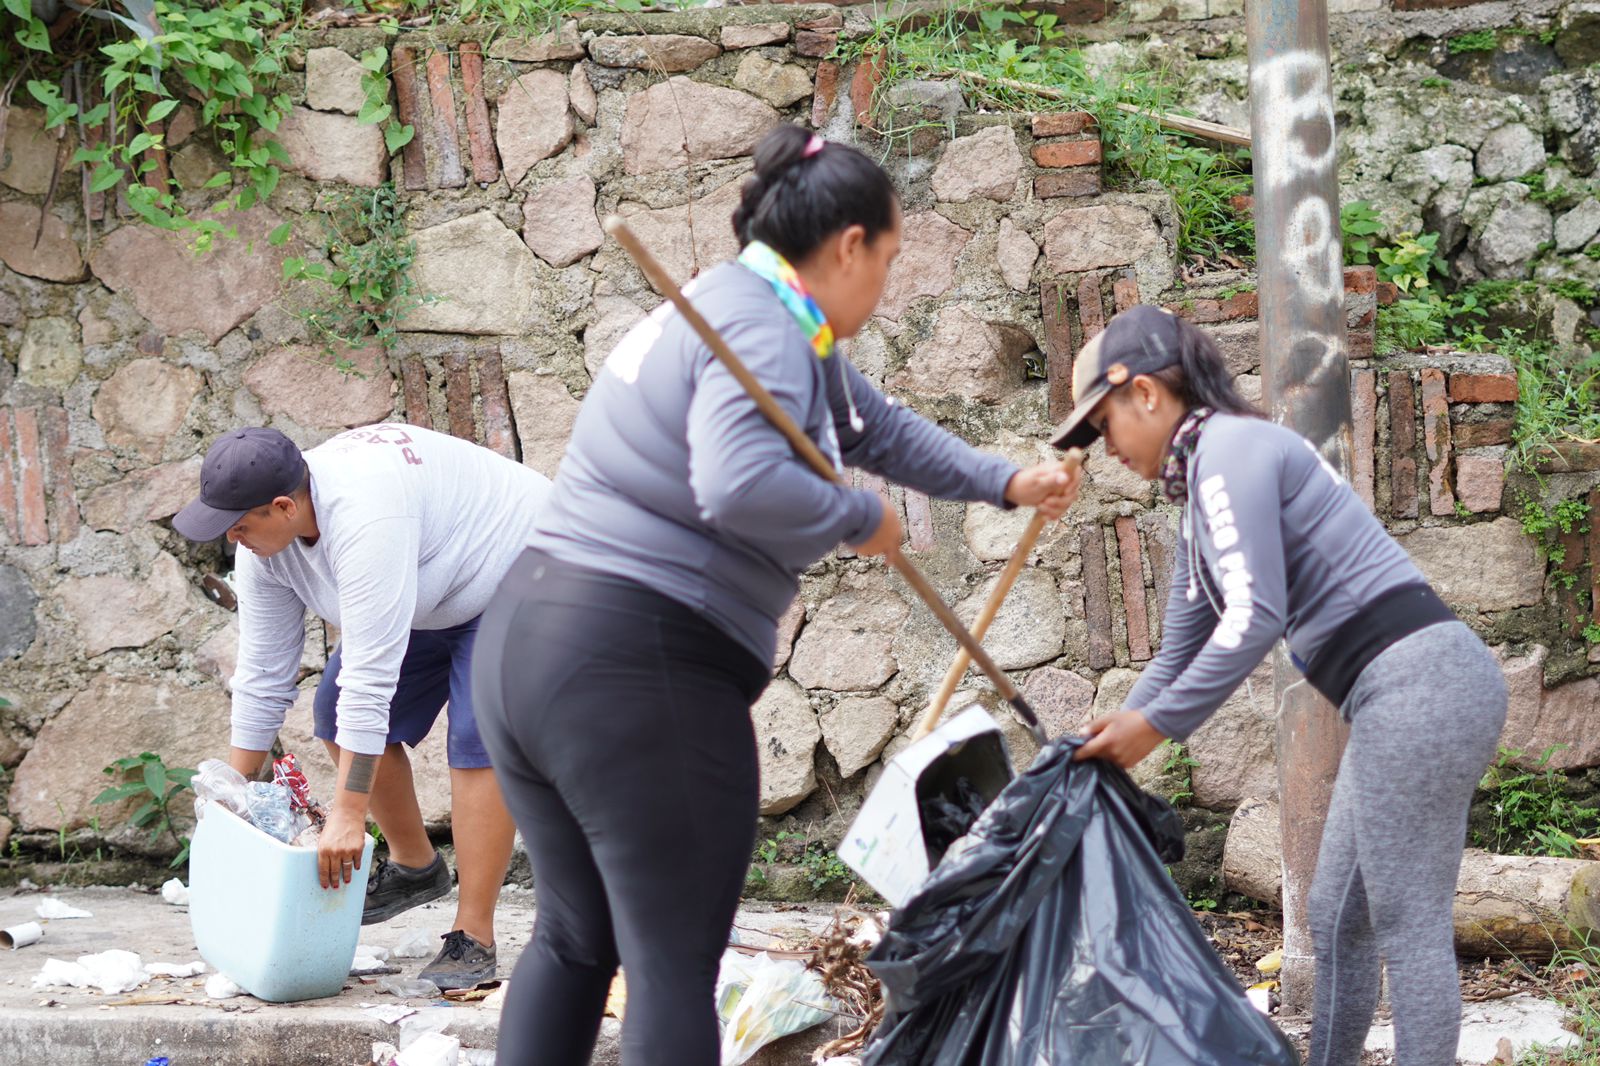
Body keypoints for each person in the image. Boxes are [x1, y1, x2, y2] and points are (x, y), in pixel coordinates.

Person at [469, 124, 1081, 1065]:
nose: (885, 279)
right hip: (636, 664)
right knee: (672, 968)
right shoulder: (760, 326)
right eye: (889, 256)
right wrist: (852, 515)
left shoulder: (751, 310)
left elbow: (875, 425)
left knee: (576, 940)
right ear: (849, 246)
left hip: (530, 641)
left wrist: (1005, 482)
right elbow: (737, 481)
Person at [1057, 305, 1507, 1066]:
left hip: (1423, 687)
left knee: (1406, 919)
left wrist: (1156, 727)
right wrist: (1115, 734)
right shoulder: (1199, 495)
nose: (1104, 449)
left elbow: (1256, 614)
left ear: (1143, 394)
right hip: (1394, 696)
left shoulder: (1229, 451)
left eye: (1101, 425)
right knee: (1335, 917)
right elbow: (1177, 652)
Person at [173, 422, 552, 991]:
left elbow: (371, 684)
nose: (233, 540)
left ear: (283, 506)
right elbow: (262, 677)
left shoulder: (366, 519)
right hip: (433, 582)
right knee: (331, 711)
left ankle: (474, 936)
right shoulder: (266, 550)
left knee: (478, 738)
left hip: (524, 565)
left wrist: (349, 816)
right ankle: (417, 867)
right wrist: (236, 796)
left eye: (240, 526)